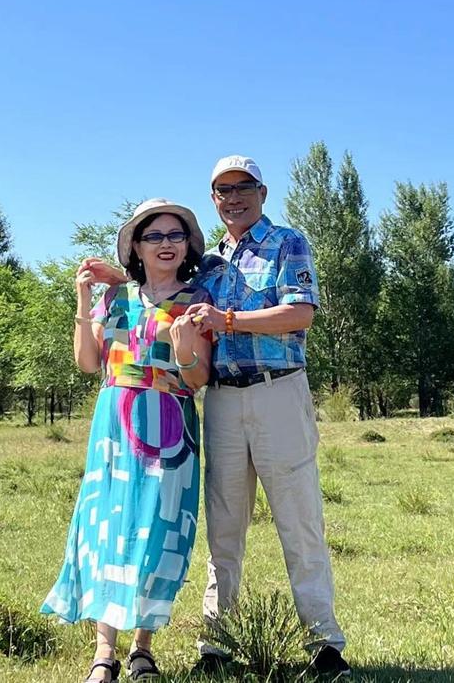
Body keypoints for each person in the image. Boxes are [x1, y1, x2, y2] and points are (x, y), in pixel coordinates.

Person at [85, 156, 350, 678]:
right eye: (222, 191)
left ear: (262, 191)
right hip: (222, 399)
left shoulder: (286, 243)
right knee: (224, 524)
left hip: (278, 393)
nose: (233, 198)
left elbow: (301, 313)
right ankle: (217, 639)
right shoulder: (210, 263)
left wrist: (228, 319)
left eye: (242, 188)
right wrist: (119, 275)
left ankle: (324, 644)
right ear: (213, 200)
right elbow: (161, 282)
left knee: (299, 520)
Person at [41, 199, 212, 683]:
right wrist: (83, 299)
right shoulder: (116, 300)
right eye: (154, 236)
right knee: (108, 529)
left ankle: (142, 650)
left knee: (155, 532)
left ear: (187, 247)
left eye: (174, 236)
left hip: (171, 424)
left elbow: (198, 378)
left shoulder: (196, 302)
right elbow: (89, 363)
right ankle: (103, 653)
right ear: (136, 247)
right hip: (114, 424)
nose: (166, 245)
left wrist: (182, 351)